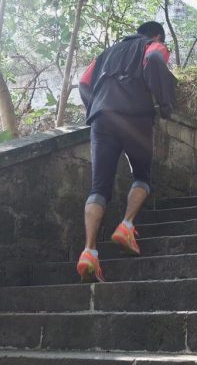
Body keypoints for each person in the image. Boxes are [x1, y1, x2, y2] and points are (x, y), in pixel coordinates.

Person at [75, 21, 176, 282]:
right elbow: (155, 59)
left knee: (98, 189)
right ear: (157, 35)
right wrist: (165, 104)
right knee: (142, 176)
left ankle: (89, 251)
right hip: (135, 117)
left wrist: (95, 108)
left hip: (101, 119)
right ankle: (126, 225)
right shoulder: (153, 45)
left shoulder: (105, 54)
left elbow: (83, 84)